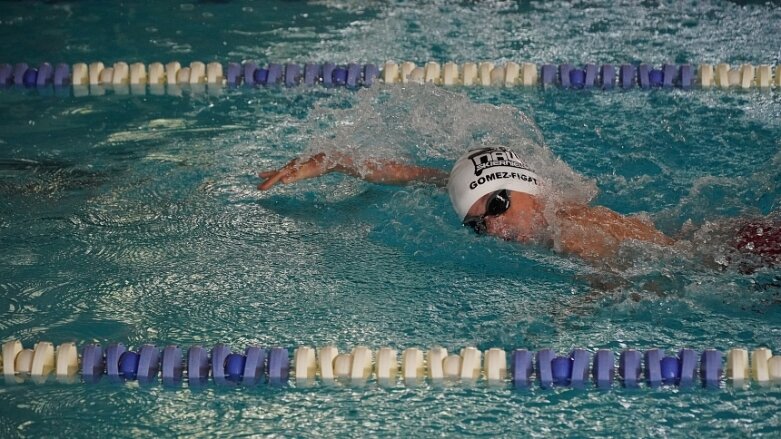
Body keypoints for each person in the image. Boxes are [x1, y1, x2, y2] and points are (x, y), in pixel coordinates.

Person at [258, 146, 779, 268]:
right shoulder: (545, 206)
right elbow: (421, 176)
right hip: (720, 239)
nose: (496, 226)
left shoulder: (570, 232)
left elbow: (628, 281)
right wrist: (333, 160)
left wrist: (566, 317)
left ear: (526, 188)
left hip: (740, 255)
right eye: (478, 225)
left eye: (500, 204)